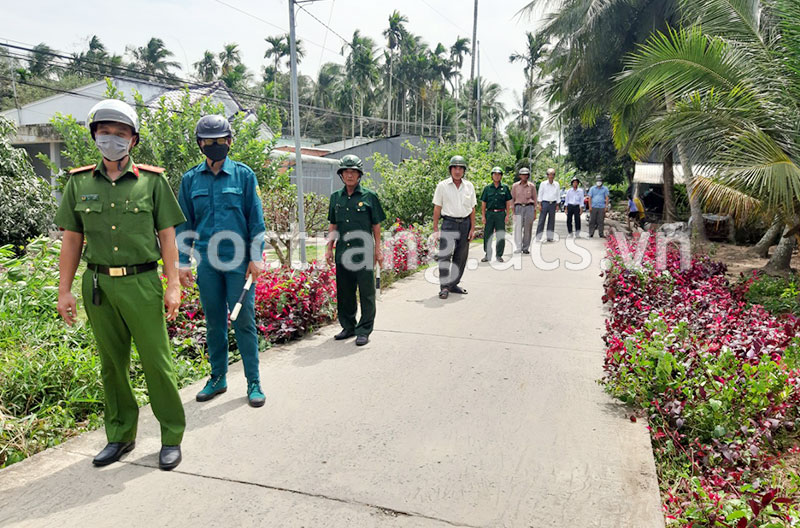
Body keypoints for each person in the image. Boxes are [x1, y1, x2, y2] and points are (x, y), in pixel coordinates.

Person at [55, 99, 186, 470]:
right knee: (112, 365)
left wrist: (172, 283)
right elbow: (71, 240)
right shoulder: (79, 182)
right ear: (95, 135)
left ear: (133, 140)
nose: (112, 139)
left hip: (141, 282)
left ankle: (171, 435)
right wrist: (64, 290)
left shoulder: (152, 182)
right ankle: (120, 435)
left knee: (157, 363)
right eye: (105, 132)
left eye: (120, 133)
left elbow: (167, 235)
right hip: (97, 285)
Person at [177, 115, 266, 408]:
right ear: (200, 144)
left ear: (229, 141)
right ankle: (218, 377)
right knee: (214, 322)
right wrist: (183, 261)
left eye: (220, 141)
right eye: (209, 141)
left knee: (243, 321)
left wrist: (255, 257)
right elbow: (184, 224)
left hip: (239, 263)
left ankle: (253, 382)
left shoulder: (243, 176)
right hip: (207, 265)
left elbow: (256, 221)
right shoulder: (190, 180)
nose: (215, 146)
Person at [325, 155, 385, 346]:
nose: (349, 175)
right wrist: (329, 248)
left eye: (353, 172)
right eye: (346, 171)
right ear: (341, 175)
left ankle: (364, 330)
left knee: (366, 293)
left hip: (365, 252)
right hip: (343, 252)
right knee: (345, 293)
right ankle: (348, 327)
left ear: (359, 175)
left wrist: (378, 250)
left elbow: (376, 225)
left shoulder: (369, 197)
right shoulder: (336, 197)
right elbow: (333, 225)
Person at [433, 155, 476, 299]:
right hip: (449, 223)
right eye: (455, 168)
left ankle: (453, 284)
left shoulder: (469, 186)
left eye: (460, 168)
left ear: (464, 170)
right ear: (450, 169)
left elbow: (472, 209)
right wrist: (435, 229)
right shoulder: (442, 186)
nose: (457, 171)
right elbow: (437, 208)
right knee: (445, 256)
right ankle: (444, 287)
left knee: (461, 256)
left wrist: (472, 228)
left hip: (465, 223)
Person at [480, 167, 513, 262]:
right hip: (489, 214)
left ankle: (499, 255)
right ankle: (487, 254)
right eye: (495, 174)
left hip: (501, 214)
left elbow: (508, 202)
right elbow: (483, 203)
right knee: (487, 234)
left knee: (500, 234)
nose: (497, 176)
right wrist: (483, 216)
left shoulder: (505, 188)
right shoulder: (487, 188)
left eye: (499, 174)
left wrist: (507, 215)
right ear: (492, 176)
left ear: (501, 176)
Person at [510, 167, 537, 254]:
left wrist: (535, 212)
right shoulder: (515, 186)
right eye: (523, 175)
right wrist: (513, 212)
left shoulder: (532, 186)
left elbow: (535, 199)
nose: (524, 176)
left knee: (528, 229)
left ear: (528, 176)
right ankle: (518, 247)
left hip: (529, 208)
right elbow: (512, 199)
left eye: (526, 175)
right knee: (518, 228)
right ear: (520, 176)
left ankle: (525, 247)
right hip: (518, 207)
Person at [536, 168, 560, 242]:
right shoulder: (543, 184)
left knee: (551, 221)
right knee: (541, 220)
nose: (551, 176)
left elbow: (558, 194)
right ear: (547, 175)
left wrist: (557, 205)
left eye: (553, 174)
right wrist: (539, 204)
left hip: (553, 203)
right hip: (544, 203)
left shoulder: (557, 184)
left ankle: (550, 237)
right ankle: (538, 237)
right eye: (550, 174)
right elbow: (540, 193)